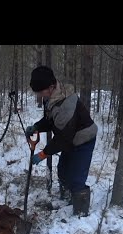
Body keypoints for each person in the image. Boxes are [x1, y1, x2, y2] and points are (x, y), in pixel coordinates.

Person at [26, 65, 97, 217]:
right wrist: (37, 127)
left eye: (41, 92)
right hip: (70, 138)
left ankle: (80, 214)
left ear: (51, 87)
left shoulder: (66, 105)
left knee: (76, 178)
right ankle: (67, 198)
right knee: (63, 171)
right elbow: (51, 120)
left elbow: (63, 138)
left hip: (83, 139)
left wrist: (44, 154)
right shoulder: (53, 97)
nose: (39, 95)